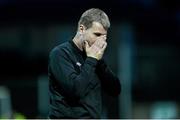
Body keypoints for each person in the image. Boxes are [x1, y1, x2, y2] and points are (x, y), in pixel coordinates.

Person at [48, 8, 121, 119]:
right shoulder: (60, 54)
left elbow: (115, 90)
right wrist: (91, 60)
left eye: (104, 37)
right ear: (82, 29)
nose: (101, 42)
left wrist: (99, 62)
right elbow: (76, 90)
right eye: (97, 34)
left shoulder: (94, 58)